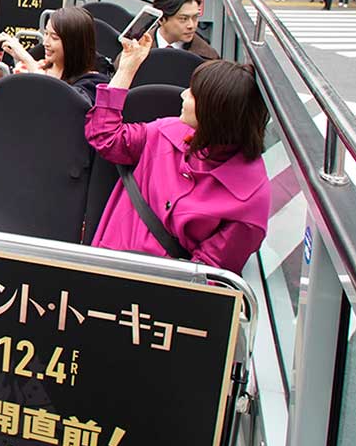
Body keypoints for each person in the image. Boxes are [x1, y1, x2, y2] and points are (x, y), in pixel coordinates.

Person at [86, 38, 269, 272]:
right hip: (101, 267)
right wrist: (127, 69)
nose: (183, 95)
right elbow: (105, 137)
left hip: (156, 293)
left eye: (193, 94)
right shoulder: (166, 132)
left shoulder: (249, 200)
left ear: (214, 112)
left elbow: (208, 275)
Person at [0, 6, 107, 106]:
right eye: (46, 33)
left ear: (74, 44)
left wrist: (27, 58)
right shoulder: (30, 68)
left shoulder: (92, 83)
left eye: (54, 37)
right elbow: (0, 107)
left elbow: (61, 102)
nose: (46, 42)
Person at [149, 0, 220, 60]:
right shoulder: (137, 50)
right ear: (161, 19)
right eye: (183, 19)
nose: (191, 25)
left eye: (195, 17)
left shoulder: (208, 57)